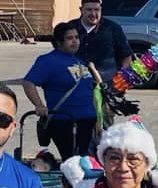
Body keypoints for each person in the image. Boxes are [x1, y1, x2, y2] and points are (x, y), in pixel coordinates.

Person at [22, 23, 100, 161]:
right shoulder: (48, 61)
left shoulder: (79, 60)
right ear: (58, 42)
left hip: (87, 120)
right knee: (72, 161)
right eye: (70, 38)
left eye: (76, 37)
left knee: (84, 161)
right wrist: (39, 105)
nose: (75, 41)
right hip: (65, 121)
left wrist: (97, 121)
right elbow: (28, 82)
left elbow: (89, 91)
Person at [67, 0, 130, 79]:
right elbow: (60, 53)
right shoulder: (70, 28)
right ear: (81, 10)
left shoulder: (113, 28)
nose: (93, 14)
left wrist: (122, 78)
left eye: (97, 10)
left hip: (107, 86)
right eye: (89, 10)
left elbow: (126, 55)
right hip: (76, 84)